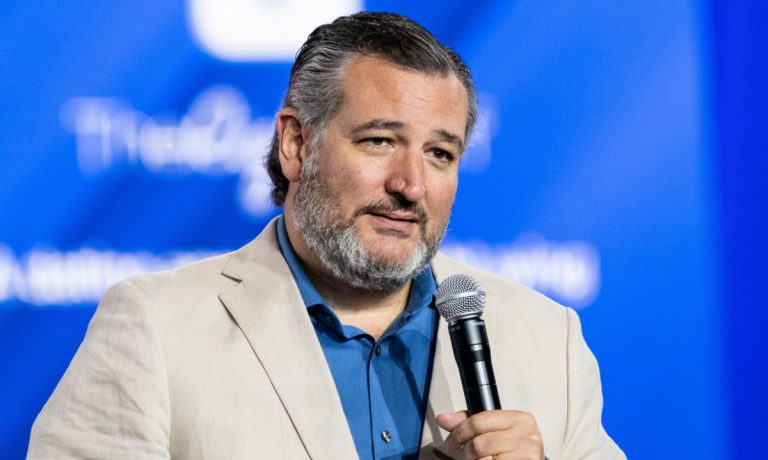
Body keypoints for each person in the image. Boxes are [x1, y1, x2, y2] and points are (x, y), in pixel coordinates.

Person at [29, 12, 624, 460]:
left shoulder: (549, 339)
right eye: (379, 141)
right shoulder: (155, 329)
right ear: (295, 144)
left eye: (440, 153)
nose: (410, 184)